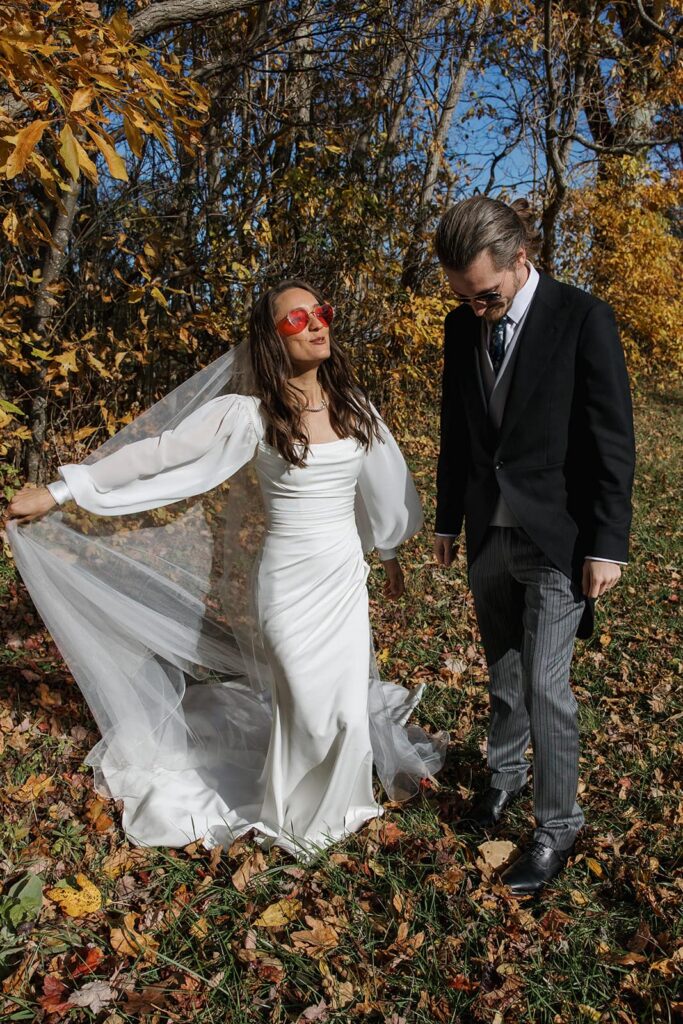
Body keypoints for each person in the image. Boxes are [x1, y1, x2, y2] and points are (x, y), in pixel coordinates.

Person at [6, 278, 446, 861]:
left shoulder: (355, 408)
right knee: (307, 707)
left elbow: (385, 486)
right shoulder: (249, 416)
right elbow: (156, 453)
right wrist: (63, 491)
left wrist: (388, 555)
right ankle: (292, 814)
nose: (316, 325)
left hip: (341, 578)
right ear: (271, 339)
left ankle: (339, 809)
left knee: (341, 705)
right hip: (288, 585)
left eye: (321, 313)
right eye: (296, 320)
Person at [433, 197, 635, 894]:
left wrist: (606, 544)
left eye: (485, 296)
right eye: (462, 297)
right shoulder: (461, 328)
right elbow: (455, 431)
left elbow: (611, 439)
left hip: (558, 536)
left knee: (547, 688)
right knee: (503, 673)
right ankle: (504, 777)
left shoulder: (582, 318)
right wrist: (446, 522)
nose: (475, 309)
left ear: (521, 260)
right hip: (488, 528)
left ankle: (557, 826)